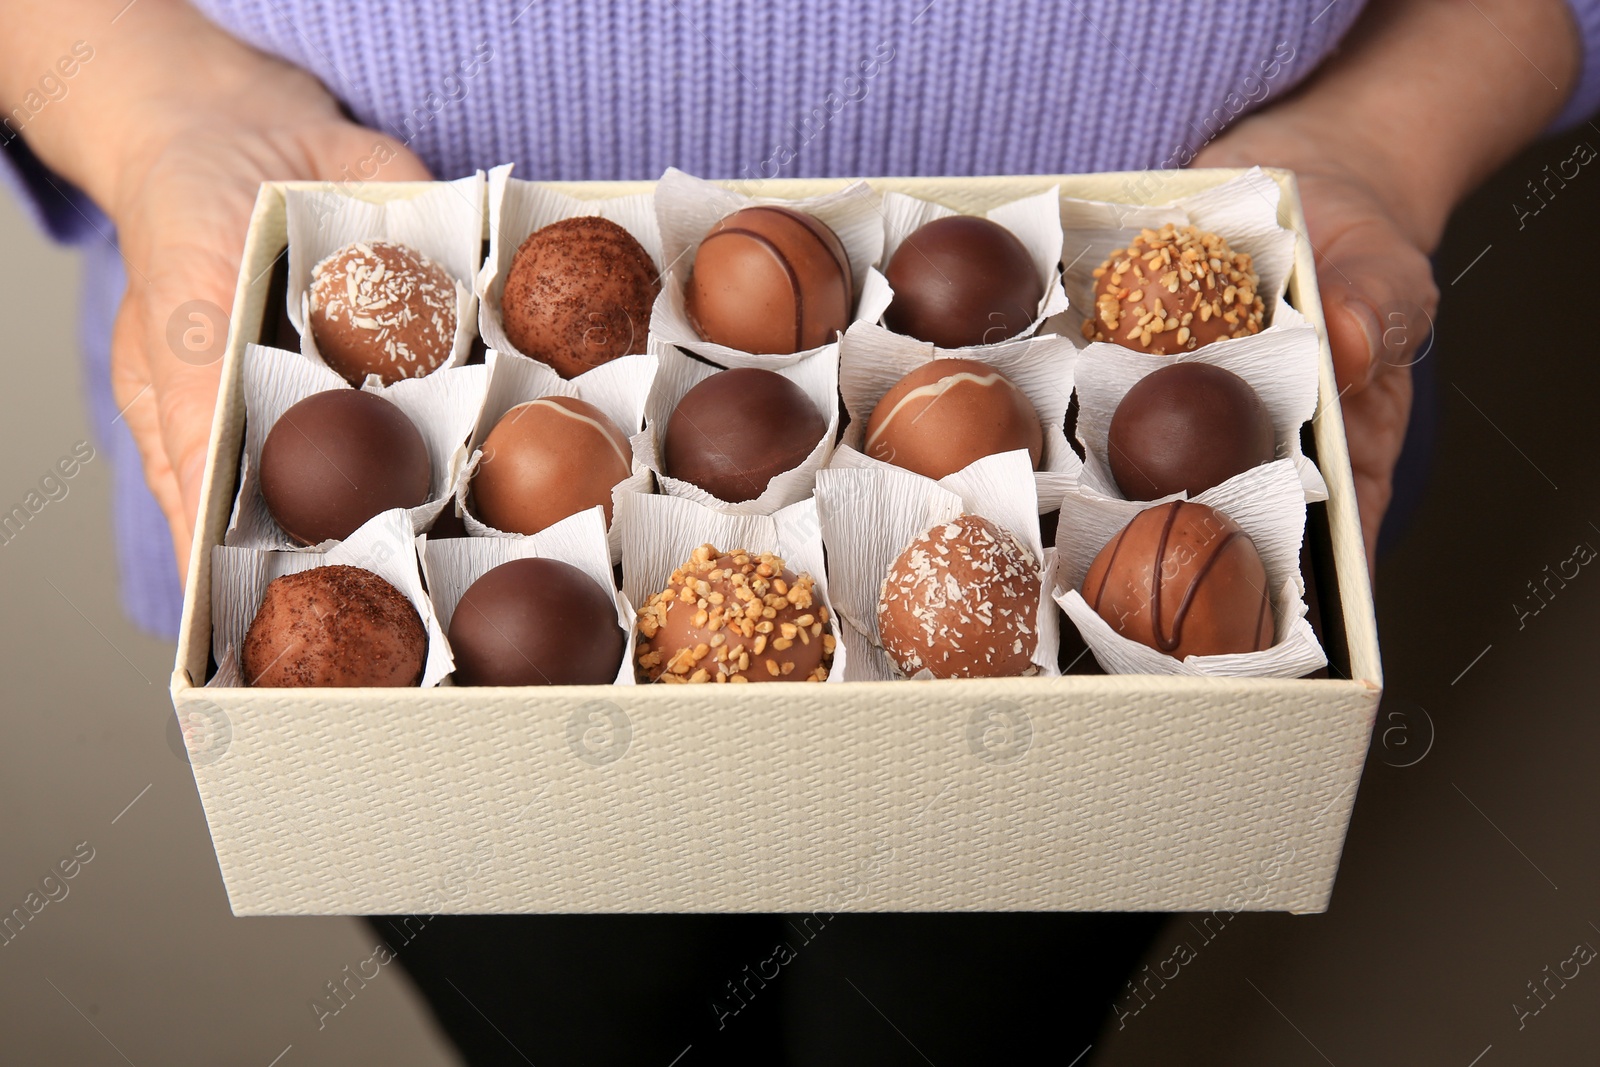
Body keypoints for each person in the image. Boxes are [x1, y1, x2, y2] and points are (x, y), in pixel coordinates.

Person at [1, 0, 1590, 1062]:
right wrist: (159, 114)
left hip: (1125, 571)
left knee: (961, 1030)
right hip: (402, 606)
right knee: (570, 1027)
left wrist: (1384, 136)